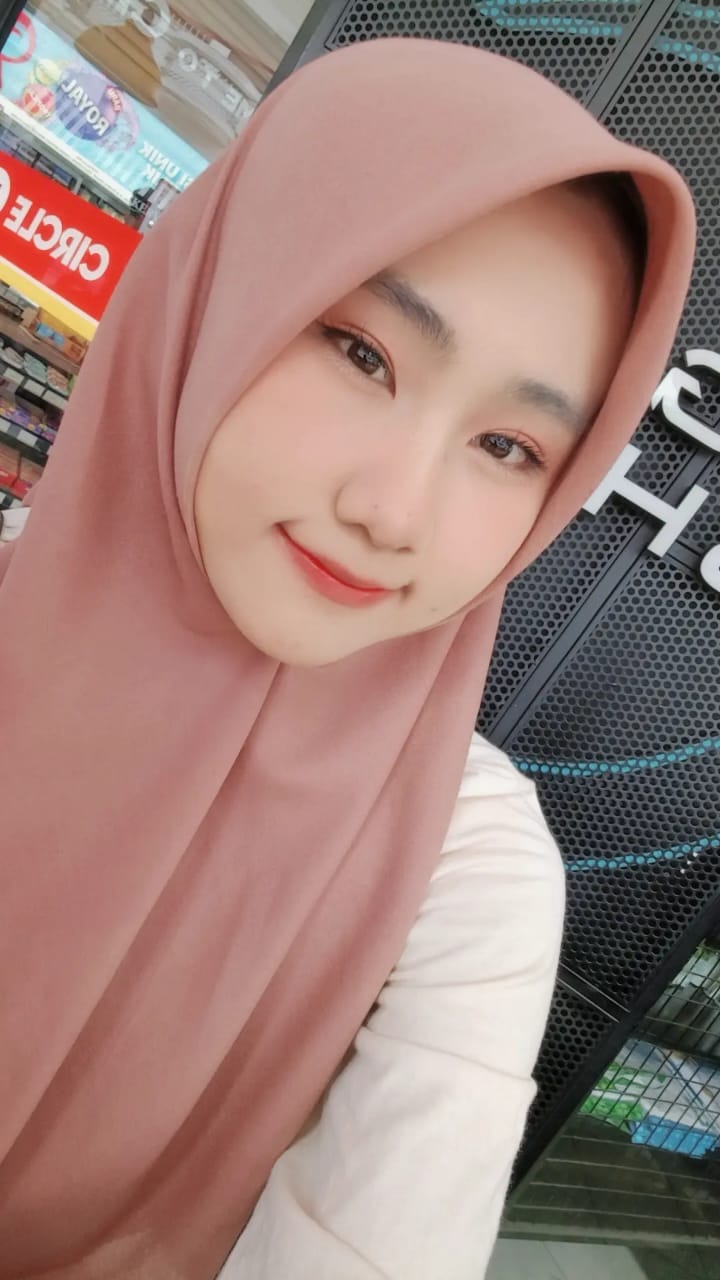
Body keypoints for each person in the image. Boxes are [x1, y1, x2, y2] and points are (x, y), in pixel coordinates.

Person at [0, 34, 694, 1280]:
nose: (395, 512)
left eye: (509, 448)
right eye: (363, 353)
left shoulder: (465, 868)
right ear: (212, 297)